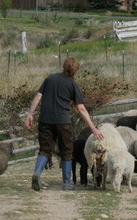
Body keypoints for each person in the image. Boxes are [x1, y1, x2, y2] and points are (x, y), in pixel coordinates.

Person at [25, 57, 103, 191]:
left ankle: (37, 174)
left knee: (45, 150)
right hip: (63, 122)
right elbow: (81, 109)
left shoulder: (50, 78)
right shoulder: (73, 85)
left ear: (63, 66)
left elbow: (38, 97)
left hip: (45, 120)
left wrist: (30, 114)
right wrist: (93, 128)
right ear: (75, 70)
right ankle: (67, 183)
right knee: (67, 151)